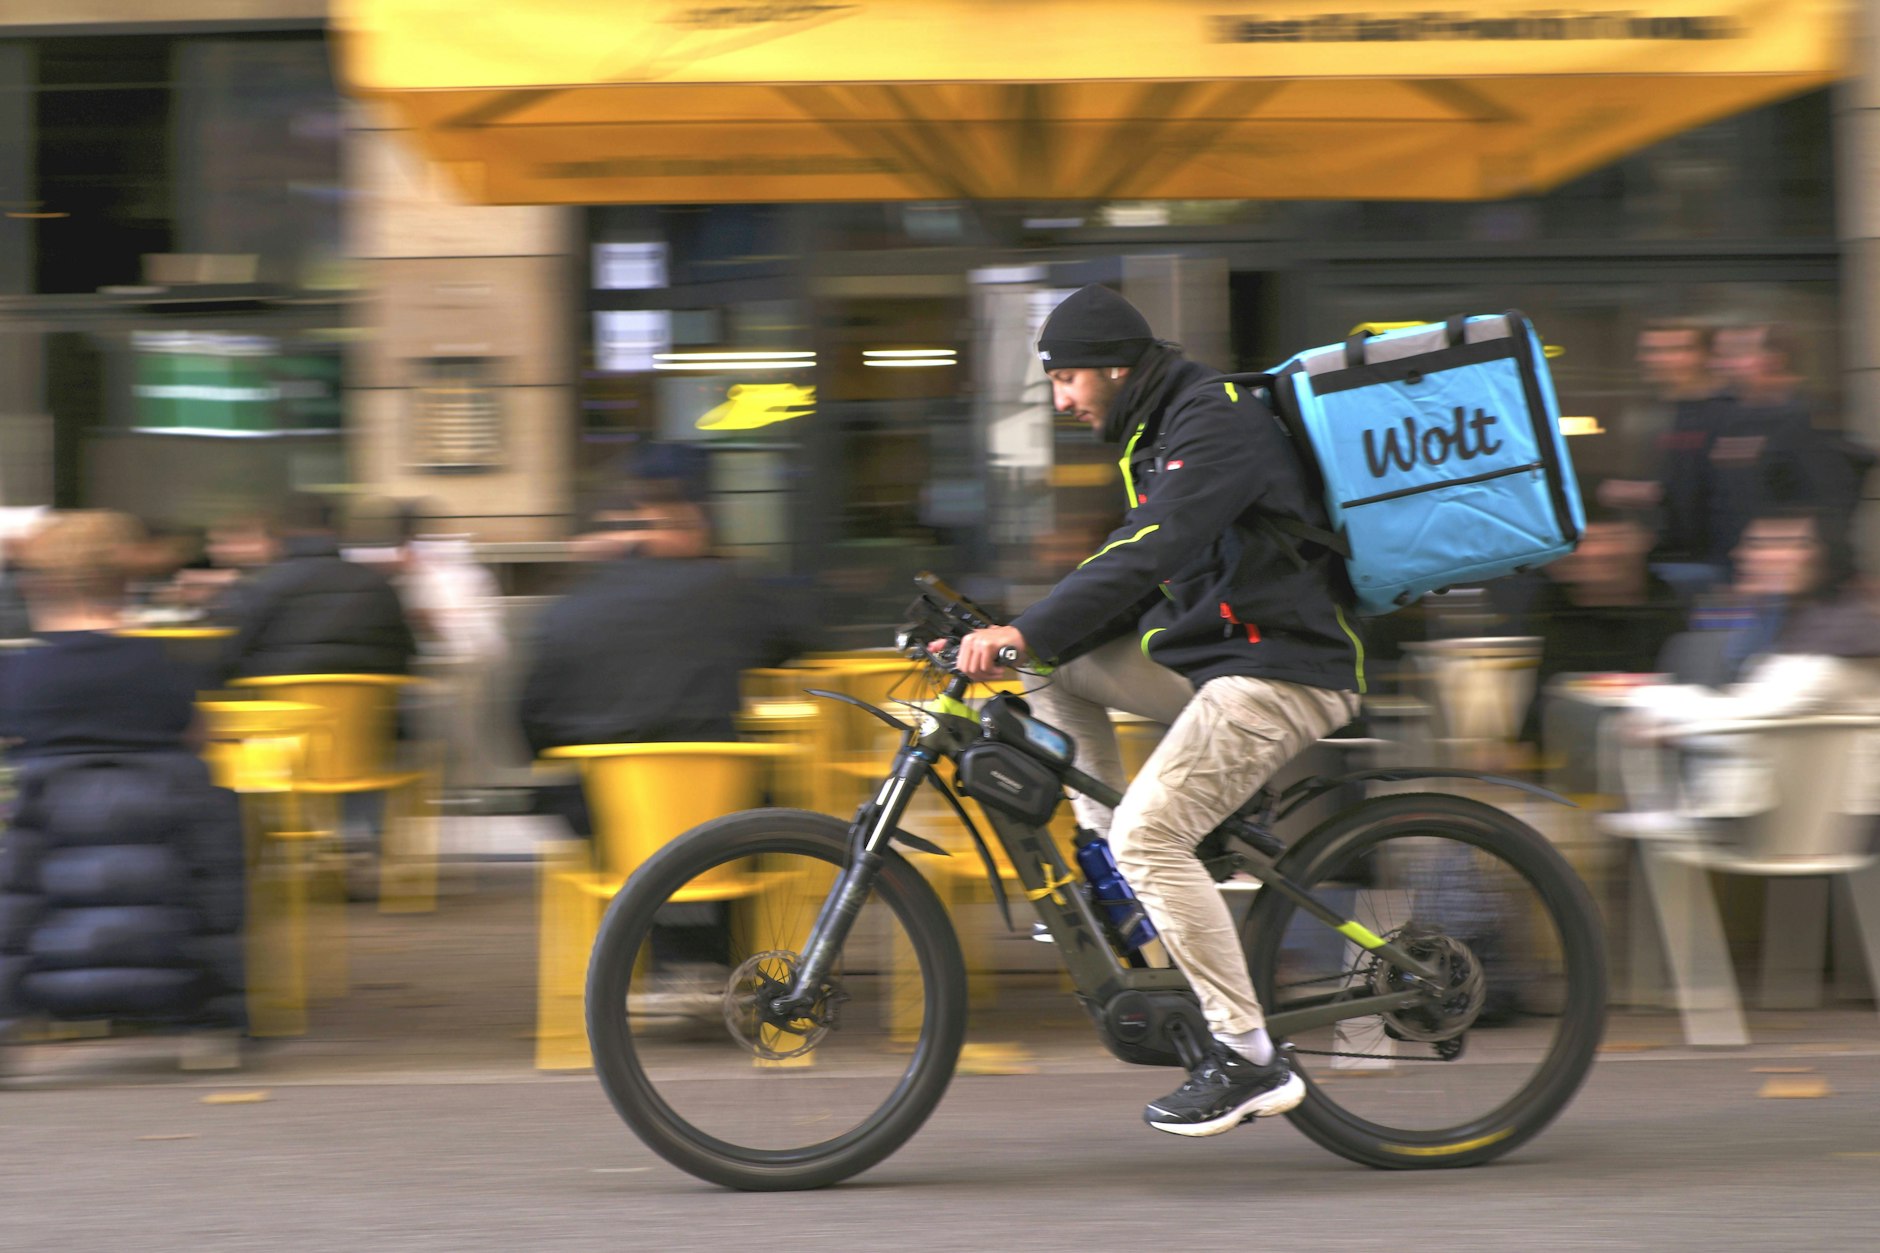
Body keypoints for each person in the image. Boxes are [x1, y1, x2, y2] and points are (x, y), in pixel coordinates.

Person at [953, 284, 1365, 1137]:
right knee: (1051, 672)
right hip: (1220, 664)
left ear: (1113, 365)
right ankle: (1127, 878)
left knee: (1153, 830)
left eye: (1066, 379)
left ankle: (1249, 1058)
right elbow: (1131, 571)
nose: (1062, 400)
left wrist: (1025, 627)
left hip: (1283, 670)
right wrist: (1022, 639)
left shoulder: (1213, 419)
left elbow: (1151, 549)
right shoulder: (1160, 427)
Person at [0, 512, 245, 1066]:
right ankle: (211, 1027)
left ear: (37, 585)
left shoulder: (19, 675)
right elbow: (199, 740)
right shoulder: (165, 667)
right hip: (166, 900)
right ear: (127, 583)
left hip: (45, 888)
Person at [217, 492, 417, 680]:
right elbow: (406, 652)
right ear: (339, 531)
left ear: (278, 535)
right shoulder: (376, 583)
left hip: (282, 710)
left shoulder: (259, 585)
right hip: (364, 711)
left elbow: (230, 658)